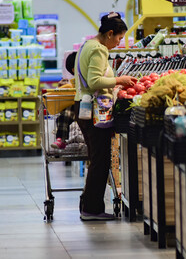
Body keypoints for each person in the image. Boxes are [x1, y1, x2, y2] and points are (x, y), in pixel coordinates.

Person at [74, 12, 136, 221]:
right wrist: (120, 79)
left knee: (96, 158)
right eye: (118, 38)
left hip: (84, 106)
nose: (118, 43)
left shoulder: (87, 45)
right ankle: (92, 210)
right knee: (100, 160)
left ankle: (89, 204)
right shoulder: (99, 50)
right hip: (93, 110)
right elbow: (94, 81)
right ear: (110, 33)